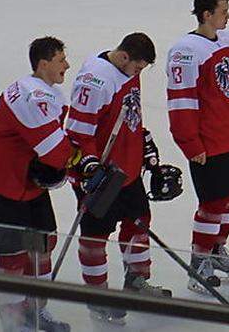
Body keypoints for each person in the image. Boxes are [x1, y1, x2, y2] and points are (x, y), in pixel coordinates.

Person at [66, 32, 176, 325]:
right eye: (138, 67)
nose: (139, 73)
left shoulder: (127, 71)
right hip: (100, 176)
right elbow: (77, 134)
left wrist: (143, 141)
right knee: (95, 237)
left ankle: (136, 281)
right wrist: (89, 168)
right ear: (124, 56)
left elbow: (130, 116)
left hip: (127, 170)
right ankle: (98, 297)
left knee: (139, 221)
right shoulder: (95, 80)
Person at [0, 37, 77, 332]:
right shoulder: (33, 96)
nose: (67, 65)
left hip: (26, 179)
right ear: (44, 64)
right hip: (0, 182)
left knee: (43, 242)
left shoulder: (46, 91)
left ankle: (34, 309)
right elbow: (56, 152)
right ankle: (12, 322)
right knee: (12, 254)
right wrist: (81, 163)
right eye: (61, 60)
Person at [166, 0, 229, 294]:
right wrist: (190, 144)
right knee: (211, 203)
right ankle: (198, 262)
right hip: (208, 142)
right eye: (223, 11)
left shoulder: (228, 41)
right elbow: (181, 102)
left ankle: (216, 249)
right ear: (207, 14)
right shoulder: (185, 52)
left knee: (228, 198)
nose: (228, 16)